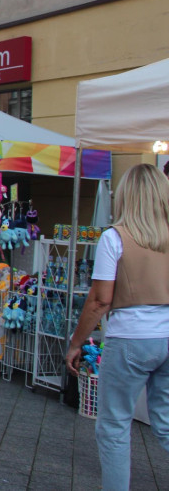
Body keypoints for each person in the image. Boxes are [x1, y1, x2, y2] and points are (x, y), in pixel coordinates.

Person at [65, 163, 169, 490]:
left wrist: (76, 343)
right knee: (166, 423)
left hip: (130, 339)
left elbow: (99, 300)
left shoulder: (115, 237)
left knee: (114, 426)